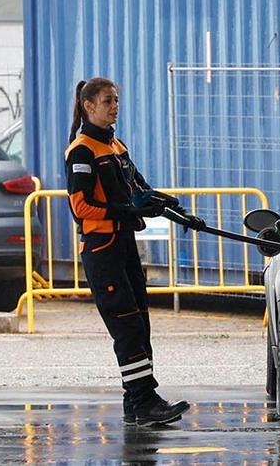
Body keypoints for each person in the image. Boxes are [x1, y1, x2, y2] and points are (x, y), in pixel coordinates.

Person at [65, 77, 190, 426]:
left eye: (116, 100)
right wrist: (129, 211)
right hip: (101, 248)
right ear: (89, 106)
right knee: (126, 325)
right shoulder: (82, 151)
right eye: (107, 101)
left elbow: (139, 187)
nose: (114, 106)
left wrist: (173, 208)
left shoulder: (116, 146)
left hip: (123, 244)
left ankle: (135, 402)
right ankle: (145, 400)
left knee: (140, 320)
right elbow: (81, 207)